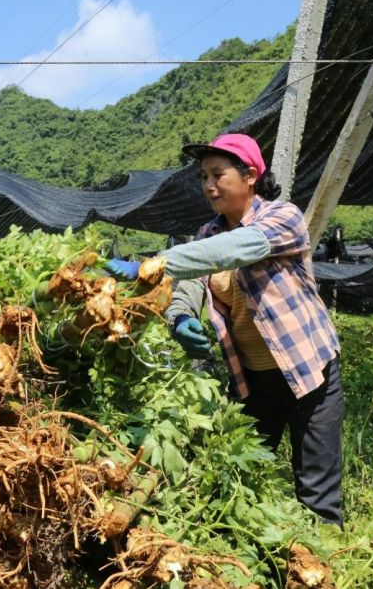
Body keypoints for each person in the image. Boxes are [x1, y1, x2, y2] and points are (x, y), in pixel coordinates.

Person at [105, 134, 344, 526]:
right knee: (242, 483)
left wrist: (155, 262)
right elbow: (189, 287)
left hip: (309, 375)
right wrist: (180, 318)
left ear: (250, 175)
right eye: (203, 177)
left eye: (218, 174)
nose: (208, 186)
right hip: (253, 381)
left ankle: (330, 567)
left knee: (317, 495)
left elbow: (236, 249)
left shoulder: (283, 218)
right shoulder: (205, 236)